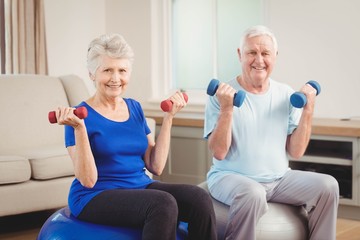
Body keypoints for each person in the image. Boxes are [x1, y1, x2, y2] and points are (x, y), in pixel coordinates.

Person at [55, 33, 217, 240]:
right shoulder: (77, 116)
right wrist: (80, 129)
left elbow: (155, 166)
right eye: (107, 70)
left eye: (122, 70)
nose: (116, 79)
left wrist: (169, 117)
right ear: (92, 74)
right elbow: (87, 180)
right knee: (162, 204)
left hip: (139, 185)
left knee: (199, 198)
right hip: (94, 195)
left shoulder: (135, 108)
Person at [204, 25, 339, 240]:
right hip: (230, 177)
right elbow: (219, 152)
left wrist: (308, 109)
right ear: (240, 54)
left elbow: (296, 151)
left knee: (328, 186)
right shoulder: (222, 95)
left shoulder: (285, 93)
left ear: (275, 56)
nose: (259, 60)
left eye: (265, 53)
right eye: (252, 52)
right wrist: (227, 109)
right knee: (253, 194)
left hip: (278, 179)